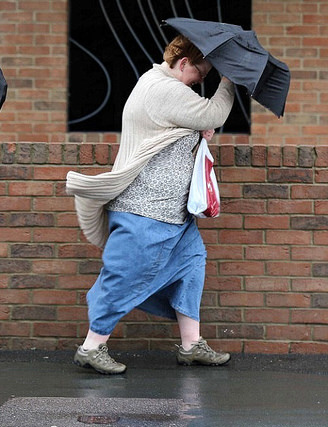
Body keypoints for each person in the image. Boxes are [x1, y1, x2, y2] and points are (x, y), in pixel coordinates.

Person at [66, 35, 235, 375]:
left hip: (175, 213)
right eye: (200, 73)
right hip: (146, 209)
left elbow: (182, 128)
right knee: (123, 276)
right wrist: (230, 79)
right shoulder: (162, 87)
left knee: (191, 268)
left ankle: (191, 345)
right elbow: (214, 110)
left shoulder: (164, 88)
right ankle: (91, 347)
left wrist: (199, 132)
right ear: (183, 63)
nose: (201, 81)